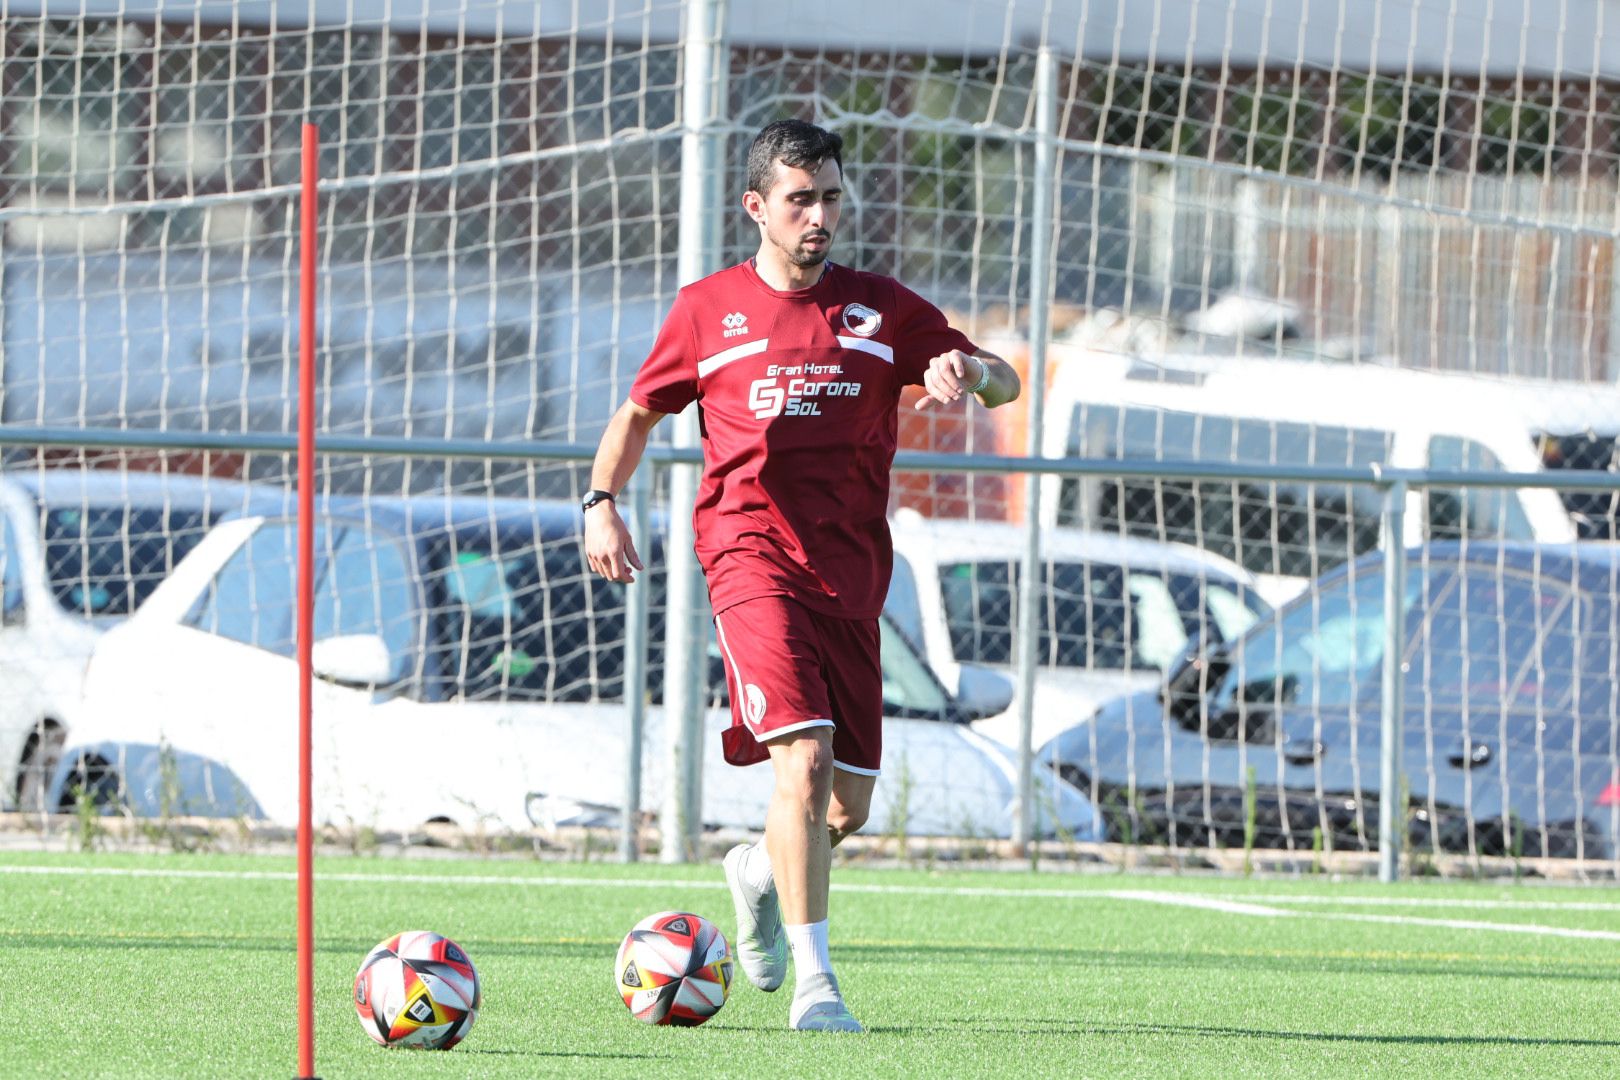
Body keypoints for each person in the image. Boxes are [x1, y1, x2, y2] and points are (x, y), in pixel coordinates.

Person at [583, 118, 1019, 1032]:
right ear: (758, 208)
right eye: (800, 199)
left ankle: (754, 872)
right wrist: (600, 503)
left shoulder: (882, 308)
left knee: (844, 806)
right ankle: (819, 988)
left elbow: (1005, 384)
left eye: (829, 197)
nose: (819, 215)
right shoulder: (707, 310)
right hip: (747, 556)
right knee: (806, 760)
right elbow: (636, 415)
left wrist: (968, 369)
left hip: (852, 576)